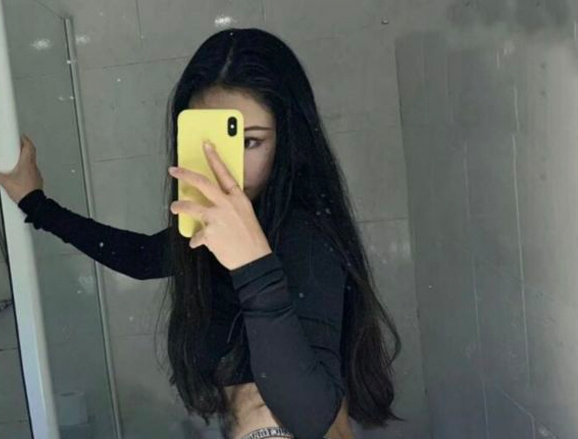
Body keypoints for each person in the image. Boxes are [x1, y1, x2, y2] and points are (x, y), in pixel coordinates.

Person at [0, 28, 403, 439]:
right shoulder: (222, 227)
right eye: (210, 143)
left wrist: (253, 266)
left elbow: (313, 415)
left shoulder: (305, 234)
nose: (228, 167)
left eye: (250, 142)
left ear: (289, 140)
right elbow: (141, 257)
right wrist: (36, 205)